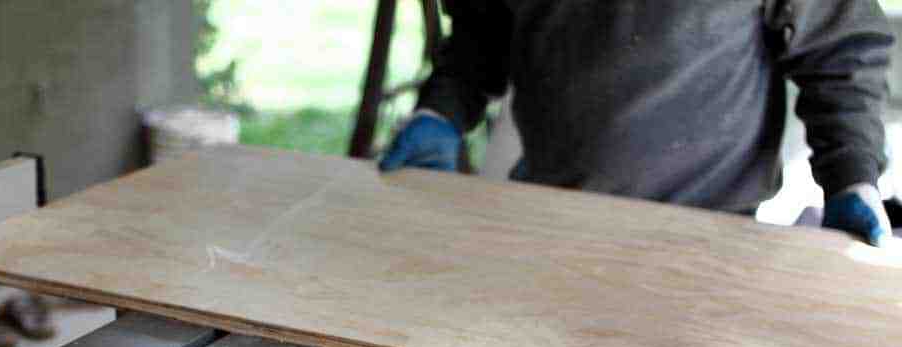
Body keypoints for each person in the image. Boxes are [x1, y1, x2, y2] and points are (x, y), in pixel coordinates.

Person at [379, 0, 895, 246]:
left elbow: (840, 53)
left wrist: (852, 175)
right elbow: (481, 34)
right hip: (546, 222)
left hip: (710, 240)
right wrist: (440, 111)